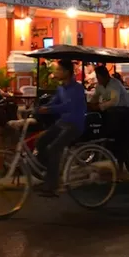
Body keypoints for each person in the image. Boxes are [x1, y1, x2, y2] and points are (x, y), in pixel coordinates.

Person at [34, 60, 86, 197]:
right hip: (62, 123)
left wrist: (49, 109)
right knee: (40, 142)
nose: (56, 73)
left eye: (58, 70)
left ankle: (52, 184)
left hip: (75, 125)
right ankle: (52, 172)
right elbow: (54, 102)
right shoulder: (61, 88)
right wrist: (39, 109)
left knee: (54, 148)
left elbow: (68, 106)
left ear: (67, 72)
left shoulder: (77, 89)